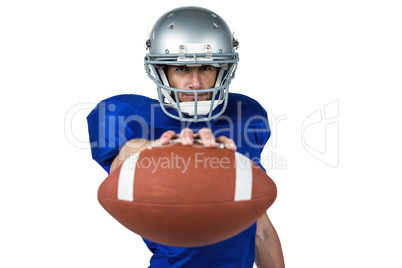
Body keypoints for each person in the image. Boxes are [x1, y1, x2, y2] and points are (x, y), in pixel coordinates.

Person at [87, 6, 285, 268]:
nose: (195, 83)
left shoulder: (246, 118)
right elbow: (120, 168)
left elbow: (261, 230)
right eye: (181, 70)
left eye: (205, 67)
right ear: (162, 71)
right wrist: (162, 148)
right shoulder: (129, 117)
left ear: (223, 70)